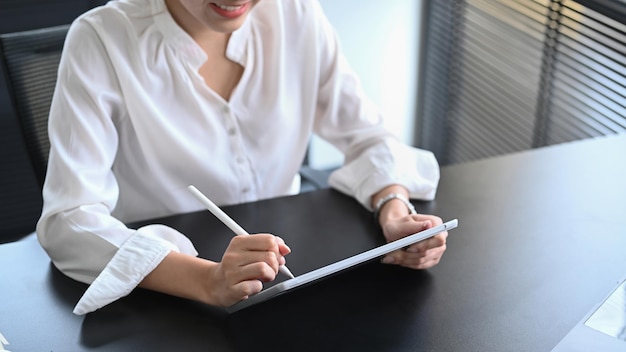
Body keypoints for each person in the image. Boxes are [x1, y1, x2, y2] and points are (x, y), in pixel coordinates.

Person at [37, 0, 447, 315]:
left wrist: (394, 208)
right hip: (165, 298)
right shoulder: (102, 39)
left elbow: (369, 136)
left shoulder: (295, 14)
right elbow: (69, 219)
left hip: (293, 273)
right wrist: (207, 280)